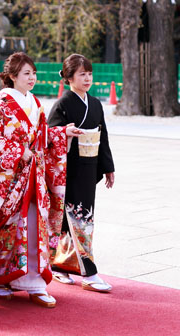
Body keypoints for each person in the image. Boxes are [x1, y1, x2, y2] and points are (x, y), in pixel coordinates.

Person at [0, 52, 82, 309]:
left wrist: (62, 133)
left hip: (33, 177)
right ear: (12, 76)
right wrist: (19, 152)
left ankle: (32, 282)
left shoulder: (36, 104)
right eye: (26, 73)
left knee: (32, 227)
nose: (32, 78)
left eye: (34, 73)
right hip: (7, 180)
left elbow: (41, 137)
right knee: (3, 227)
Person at [47, 54, 115, 292]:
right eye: (81, 74)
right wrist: (64, 132)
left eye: (89, 74)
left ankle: (60, 265)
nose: (87, 79)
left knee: (78, 217)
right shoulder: (62, 104)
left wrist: (108, 167)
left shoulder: (95, 104)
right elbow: (49, 135)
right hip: (70, 168)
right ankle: (89, 272)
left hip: (90, 165)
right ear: (68, 78)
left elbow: (102, 135)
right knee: (79, 218)